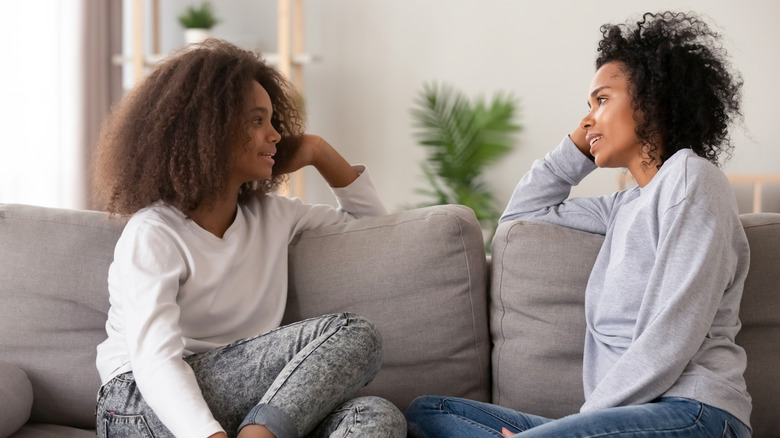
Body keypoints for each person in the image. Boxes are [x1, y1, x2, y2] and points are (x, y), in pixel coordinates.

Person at [405, 11, 752, 438]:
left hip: (695, 413)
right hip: (616, 420)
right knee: (430, 412)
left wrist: (580, 426)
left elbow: (672, 334)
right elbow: (521, 218)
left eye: (602, 100)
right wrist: (576, 149)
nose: (588, 120)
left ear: (652, 101)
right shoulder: (622, 207)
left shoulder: (692, 178)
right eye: (587, 107)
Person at [92, 39, 405, 438]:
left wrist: (318, 151)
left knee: (375, 415)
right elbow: (156, 361)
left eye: (273, 121)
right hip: (138, 405)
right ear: (207, 130)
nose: (276, 135)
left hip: (240, 404)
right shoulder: (153, 232)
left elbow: (376, 231)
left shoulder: (275, 214)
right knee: (356, 334)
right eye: (257, 121)